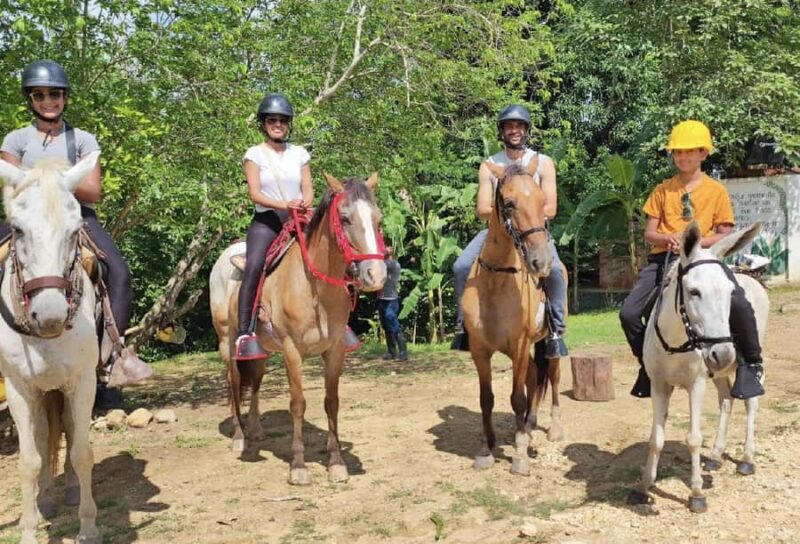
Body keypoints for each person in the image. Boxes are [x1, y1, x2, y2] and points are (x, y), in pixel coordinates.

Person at [0, 59, 145, 409]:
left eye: (54, 94)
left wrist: (48, 179)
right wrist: (54, 179)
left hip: (73, 216)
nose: (48, 100)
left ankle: (112, 358)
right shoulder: (16, 139)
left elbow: (92, 190)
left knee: (119, 273)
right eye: (40, 94)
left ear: (65, 97)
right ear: (30, 99)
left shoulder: (82, 139)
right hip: (28, 218)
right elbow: (10, 183)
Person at [619, 120, 765, 400]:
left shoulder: (716, 191)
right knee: (628, 313)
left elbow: (725, 233)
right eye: (677, 152)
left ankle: (751, 365)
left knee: (740, 303)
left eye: (689, 151)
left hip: (707, 260)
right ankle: (647, 365)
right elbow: (650, 232)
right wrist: (670, 239)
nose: (682, 157)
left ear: (703, 153)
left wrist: (693, 241)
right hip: (664, 260)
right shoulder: (662, 190)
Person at [451, 104, 569, 358]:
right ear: (502, 132)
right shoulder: (490, 165)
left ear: (526, 130)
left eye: (518, 126)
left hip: (534, 231)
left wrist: (527, 214)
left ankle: (556, 331)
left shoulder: (543, 163)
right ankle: (463, 327)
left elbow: (550, 208)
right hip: (498, 230)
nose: (513, 130)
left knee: (556, 271)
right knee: (461, 267)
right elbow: (482, 208)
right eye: (508, 126)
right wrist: (508, 211)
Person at [235, 93, 314, 360]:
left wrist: (303, 204)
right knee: (255, 265)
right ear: (263, 123)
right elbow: (255, 194)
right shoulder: (254, 154)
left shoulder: (300, 153)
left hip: (298, 219)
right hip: (268, 220)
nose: (277, 124)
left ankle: (338, 322)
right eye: (272, 120)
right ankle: (245, 333)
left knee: (329, 253)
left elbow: (308, 190)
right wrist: (284, 205)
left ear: (289, 123)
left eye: (282, 120)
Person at [377, 247, 407, 361]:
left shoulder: (394, 264)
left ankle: (403, 352)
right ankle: (392, 352)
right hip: (382, 299)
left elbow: (383, 264)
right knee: (385, 325)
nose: (385, 249)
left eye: (388, 249)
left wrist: (379, 253)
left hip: (391, 300)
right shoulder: (382, 265)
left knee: (393, 323)